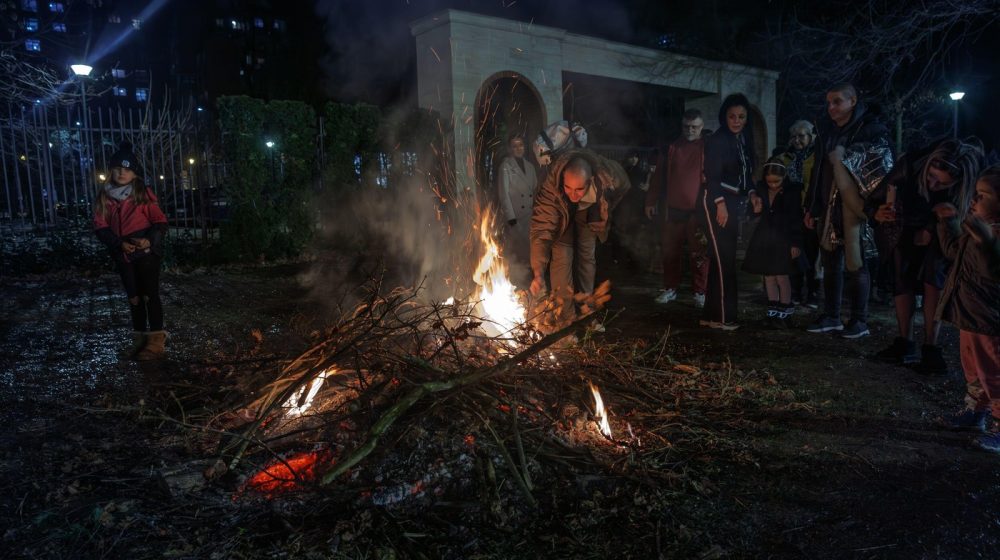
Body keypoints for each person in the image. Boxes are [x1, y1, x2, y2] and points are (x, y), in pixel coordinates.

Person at [870, 138, 984, 373]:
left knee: (934, 278)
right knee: (902, 280)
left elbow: (959, 212)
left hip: (941, 229)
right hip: (903, 225)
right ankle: (905, 342)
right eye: (930, 176)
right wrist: (876, 212)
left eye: (940, 183)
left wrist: (933, 227)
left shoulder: (965, 185)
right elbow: (875, 198)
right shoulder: (911, 164)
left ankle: (931, 348)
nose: (932, 184)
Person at [805, 83, 893, 339]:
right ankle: (832, 316)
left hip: (857, 209)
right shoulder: (827, 131)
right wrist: (812, 206)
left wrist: (873, 208)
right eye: (829, 102)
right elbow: (819, 171)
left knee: (857, 264)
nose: (831, 107)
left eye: (837, 102)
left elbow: (880, 172)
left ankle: (859, 320)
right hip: (828, 206)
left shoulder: (872, 130)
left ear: (852, 101)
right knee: (831, 262)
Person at [932, 165, 1000, 451]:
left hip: (989, 320)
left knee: (994, 369)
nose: (973, 201)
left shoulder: (992, 235)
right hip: (969, 316)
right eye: (975, 195)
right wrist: (948, 223)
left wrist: (986, 242)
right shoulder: (975, 228)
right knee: (973, 368)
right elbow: (952, 251)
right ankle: (976, 411)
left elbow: (994, 270)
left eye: (982, 196)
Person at [529, 149, 630, 327]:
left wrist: (607, 212)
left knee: (587, 255)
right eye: (568, 187)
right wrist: (538, 272)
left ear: (590, 181)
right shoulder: (551, 190)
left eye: (579, 189)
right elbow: (541, 230)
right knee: (561, 256)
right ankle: (564, 319)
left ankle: (587, 311)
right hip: (561, 211)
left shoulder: (607, 176)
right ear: (562, 182)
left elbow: (624, 186)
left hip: (590, 208)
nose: (573, 194)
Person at [93, 142, 169, 360]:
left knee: (149, 296)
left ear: (134, 172)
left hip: (145, 255)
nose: (121, 173)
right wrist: (117, 244)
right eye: (117, 168)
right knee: (133, 298)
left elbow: (160, 222)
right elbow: (100, 225)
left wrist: (149, 241)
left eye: (127, 169)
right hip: (123, 255)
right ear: (110, 171)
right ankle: (139, 339)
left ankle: (156, 341)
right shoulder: (105, 197)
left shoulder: (142, 194)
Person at [700, 93, 756, 330]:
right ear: (725, 117)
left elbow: (746, 176)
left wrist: (753, 194)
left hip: (733, 201)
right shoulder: (717, 140)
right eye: (732, 116)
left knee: (723, 259)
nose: (736, 120)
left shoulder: (743, 139)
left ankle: (712, 316)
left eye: (741, 117)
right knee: (724, 260)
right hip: (715, 200)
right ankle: (725, 317)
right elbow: (711, 176)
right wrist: (720, 205)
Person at [645, 109, 709, 308]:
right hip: (673, 211)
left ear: (701, 127)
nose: (690, 130)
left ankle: (700, 292)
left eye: (694, 127)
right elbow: (657, 178)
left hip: (697, 212)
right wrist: (650, 201)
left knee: (699, 254)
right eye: (686, 126)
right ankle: (670, 289)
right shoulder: (671, 148)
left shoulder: (708, 148)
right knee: (670, 253)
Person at [742, 159, 804, 328]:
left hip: (784, 238)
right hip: (765, 237)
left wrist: (795, 243)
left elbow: (795, 218)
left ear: (784, 177)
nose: (773, 185)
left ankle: (784, 314)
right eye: (770, 181)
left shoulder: (792, 192)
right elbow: (755, 210)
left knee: (782, 275)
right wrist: (754, 209)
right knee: (768, 275)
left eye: (777, 181)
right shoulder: (761, 188)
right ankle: (772, 312)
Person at [779, 120, 820, 308]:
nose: (797, 140)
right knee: (794, 251)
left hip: (810, 209)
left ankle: (812, 292)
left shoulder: (818, 156)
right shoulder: (785, 157)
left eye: (801, 136)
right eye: (794, 136)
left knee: (812, 253)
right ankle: (795, 291)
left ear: (810, 137)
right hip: (791, 212)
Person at [497, 135, 538, 287]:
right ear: (510, 148)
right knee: (515, 252)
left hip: (529, 216)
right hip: (514, 218)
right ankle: (515, 284)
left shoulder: (530, 167)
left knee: (530, 252)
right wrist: (511, 219)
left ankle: (529, 284)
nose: (518, 148)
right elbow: (504, 194)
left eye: (521, 145)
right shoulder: (505, 166)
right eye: (514, 146)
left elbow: (534, 190)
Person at [611, 151, 651, 271]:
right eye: (631, 157)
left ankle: (634, 259)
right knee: (622, 231)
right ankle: (622, 258)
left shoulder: (641, 171)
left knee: (634, 232)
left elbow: (644, 186)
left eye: (635, 157)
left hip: (636, 205)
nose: (633, 159)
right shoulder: (625, 170)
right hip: (625, 204)